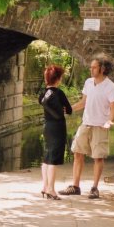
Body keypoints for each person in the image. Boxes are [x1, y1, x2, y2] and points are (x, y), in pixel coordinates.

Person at [59, 55, 114, 199]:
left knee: (98, 157)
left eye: (94, 67)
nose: (91, 69)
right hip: (85, 124)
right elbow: (83, 102)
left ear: (102, 69)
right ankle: (75, 186)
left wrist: (109, 122)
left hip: (100, 126)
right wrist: (69, 109)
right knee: (77, 153)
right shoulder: (88, 82)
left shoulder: (111, 87)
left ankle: (94, 188)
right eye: (91, 67)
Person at [38, 65, 72, 200]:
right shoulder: (59, 93)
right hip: (58, 128)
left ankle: (45, 186)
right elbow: (69, 110)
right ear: (58, 79)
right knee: (53, 159)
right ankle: (51, 190)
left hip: (47, 127)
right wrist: (63, 109)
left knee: (46, 157)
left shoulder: (42, 94)